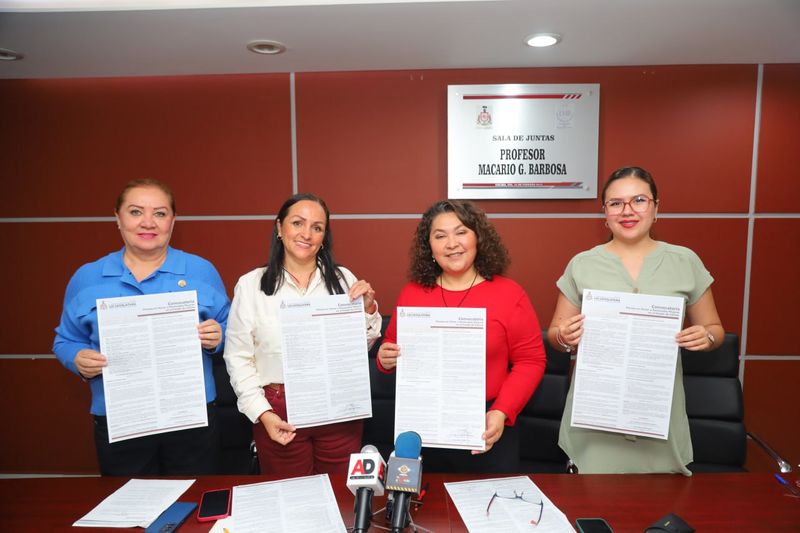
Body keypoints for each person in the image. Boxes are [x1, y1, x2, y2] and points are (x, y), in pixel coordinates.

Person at [549, 166, 724, 475]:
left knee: (657, 509)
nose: (627, 211)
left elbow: (715, 330)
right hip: (596, 414)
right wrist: (564, 336)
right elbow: (555, 334)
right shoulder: (582, 264)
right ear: (604, 213)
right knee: (593, 508)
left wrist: (706, 338)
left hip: (658, 412)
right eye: (616, 203)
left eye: (639, 200)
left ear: (656, 207)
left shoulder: (685, 261)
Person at [53, 178, 230, 476]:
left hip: (190, 418)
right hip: (122, 419)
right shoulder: (87, 277)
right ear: (118, 219)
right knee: (130, 510)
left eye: (160, 213)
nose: (148, 222)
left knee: (194, 504)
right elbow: (65, 341)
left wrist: (219, 336)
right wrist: (77, 359)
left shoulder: (202, 270)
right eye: (136, 212)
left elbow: (231, 328)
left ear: (172, 222)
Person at [377, 199, 546, 473]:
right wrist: (385, 358)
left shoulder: (509, 294)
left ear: (478, 238)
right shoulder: (413, 292)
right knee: (428, 512)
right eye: (440, 236)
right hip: (425, 425)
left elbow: (531, 361)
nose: (451, 243)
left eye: (461, 232)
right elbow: (391, 349)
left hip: (486, 424)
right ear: (429, 247)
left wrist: (501, 411)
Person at [223, 193, 381, 477]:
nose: (306, 234)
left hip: (339, 406)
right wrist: (262, 414)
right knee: (290, 500)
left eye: (317, 227)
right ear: (279, 228)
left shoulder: (344, 279)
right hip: (278, 412)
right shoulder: (251, 285)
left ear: (324, 236)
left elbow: (361, 346)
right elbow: (237, 357)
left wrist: (368, 309)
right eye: (298, 223)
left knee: (342, 498)